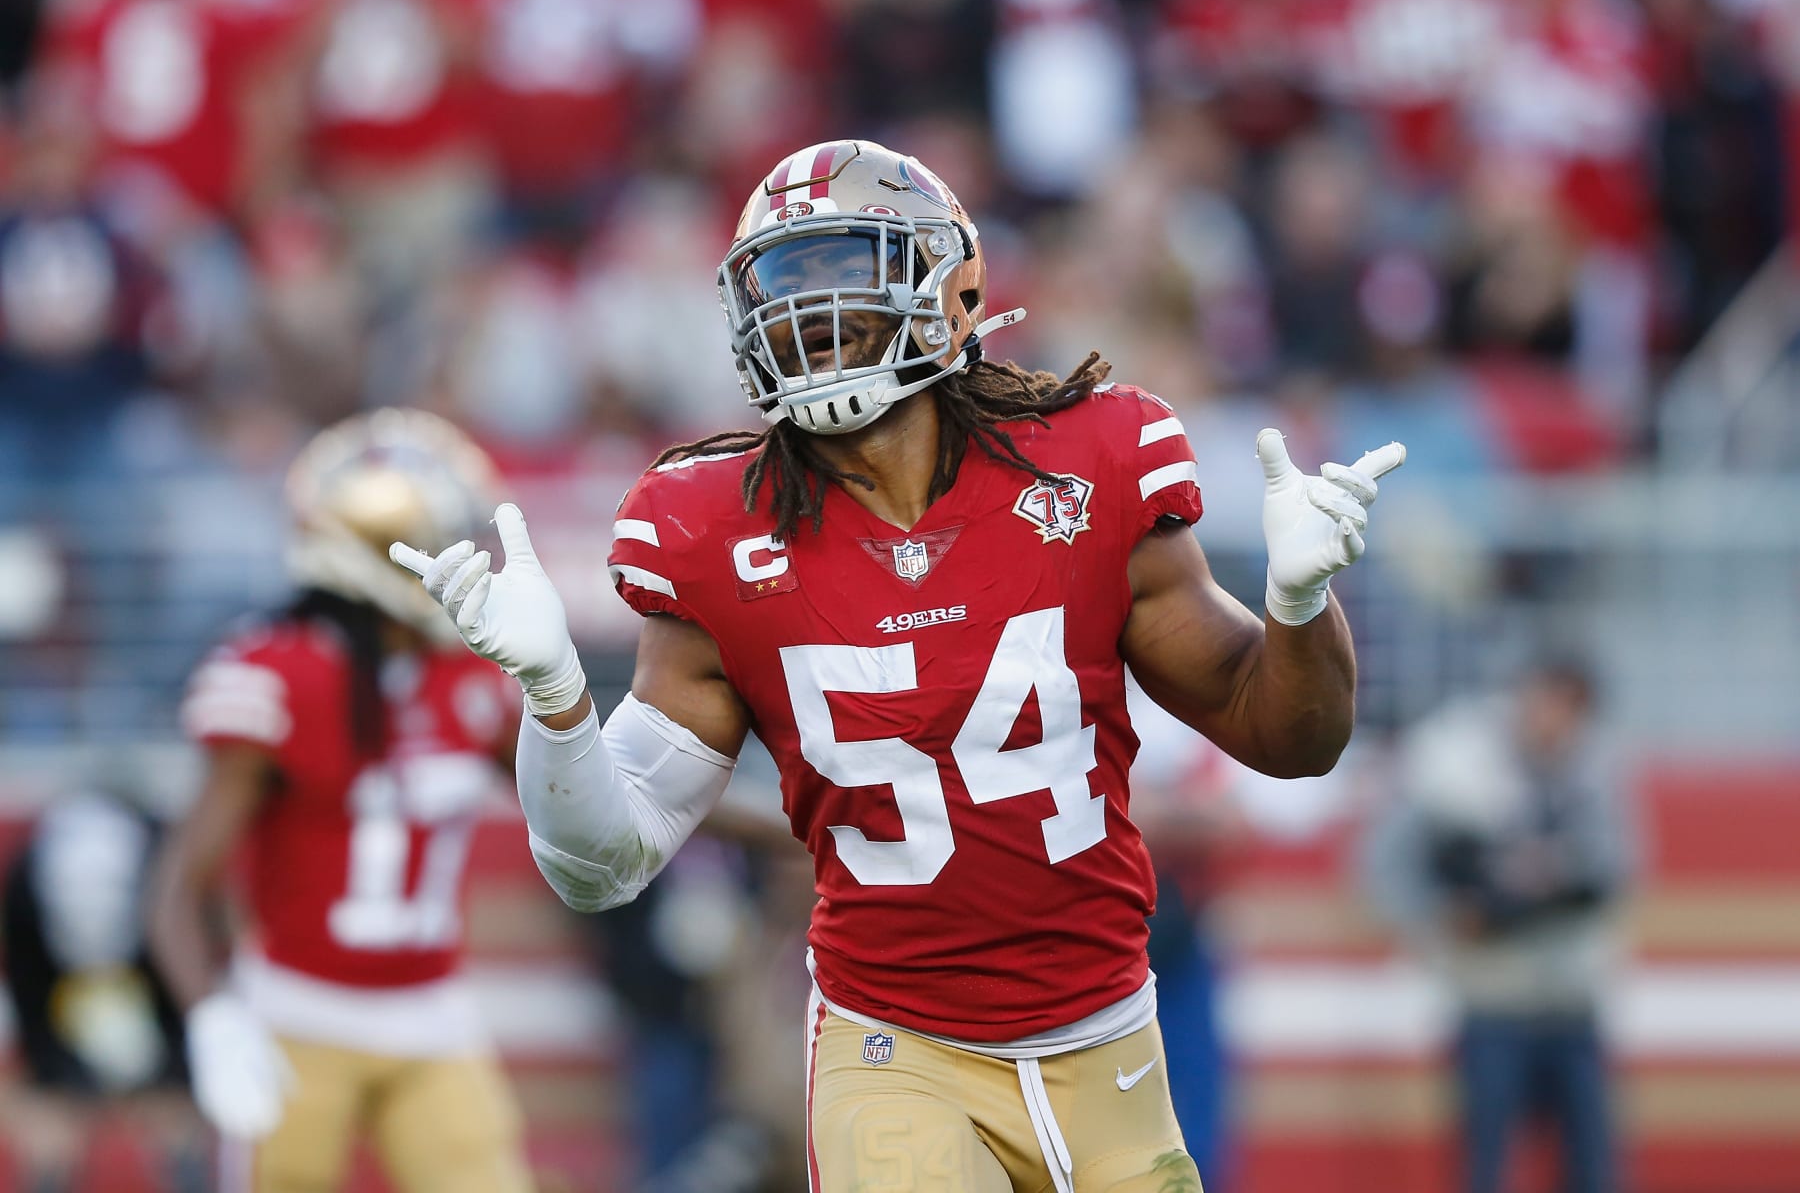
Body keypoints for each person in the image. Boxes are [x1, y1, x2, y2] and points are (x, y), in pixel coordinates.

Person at [391, 138, 1406, 1192]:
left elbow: (1292, 739)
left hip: (1108, 1033)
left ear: (947, 285)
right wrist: (556, 698)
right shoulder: (716, 531)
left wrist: (1300, 606)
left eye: (843, 269)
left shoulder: (1086, 466)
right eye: (782, 282)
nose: (809, 313)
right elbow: (602, 863)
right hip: (894, 1045)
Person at [148, 409, 536, 1193]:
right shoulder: (283, 675)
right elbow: (177, 890)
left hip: (434, 1015)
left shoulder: (473, 677)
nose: (468, 557)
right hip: (300, 1013)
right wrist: (214, 1019)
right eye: (445, 536)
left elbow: (593, 797)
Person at [1359, 656, 1637, 1193]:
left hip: (1572, 1000)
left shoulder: (1596, 767)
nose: (1554, 719)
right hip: (1493, 999)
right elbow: (1387, 865)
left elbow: (1616, 867)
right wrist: (1443, 914)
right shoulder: (1457, 762)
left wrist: (1550, 874)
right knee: (1486, 1165)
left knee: (1592, 1167)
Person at [1, 773, 206, 1193]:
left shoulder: (171, 900)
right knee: (48, 1128)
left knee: (178, 1119)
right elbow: (32, 1016)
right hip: (64, 1017)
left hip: (151, 1009)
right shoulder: (24, 900)